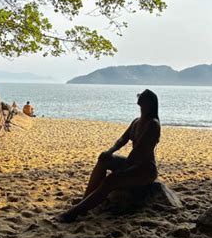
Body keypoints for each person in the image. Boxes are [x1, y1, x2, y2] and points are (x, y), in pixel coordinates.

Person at [59, 89, 161, 222]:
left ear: (149, 103)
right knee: (104, 160)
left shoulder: (153, 124)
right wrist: (109, 152)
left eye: (143, 97)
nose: (140, 96)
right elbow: (122, 139)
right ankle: (86, 200)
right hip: (133, 163)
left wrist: (124, 169)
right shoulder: (136, 121)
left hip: (146, 168)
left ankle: (73, 213)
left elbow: (139, 150)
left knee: (111, 180)